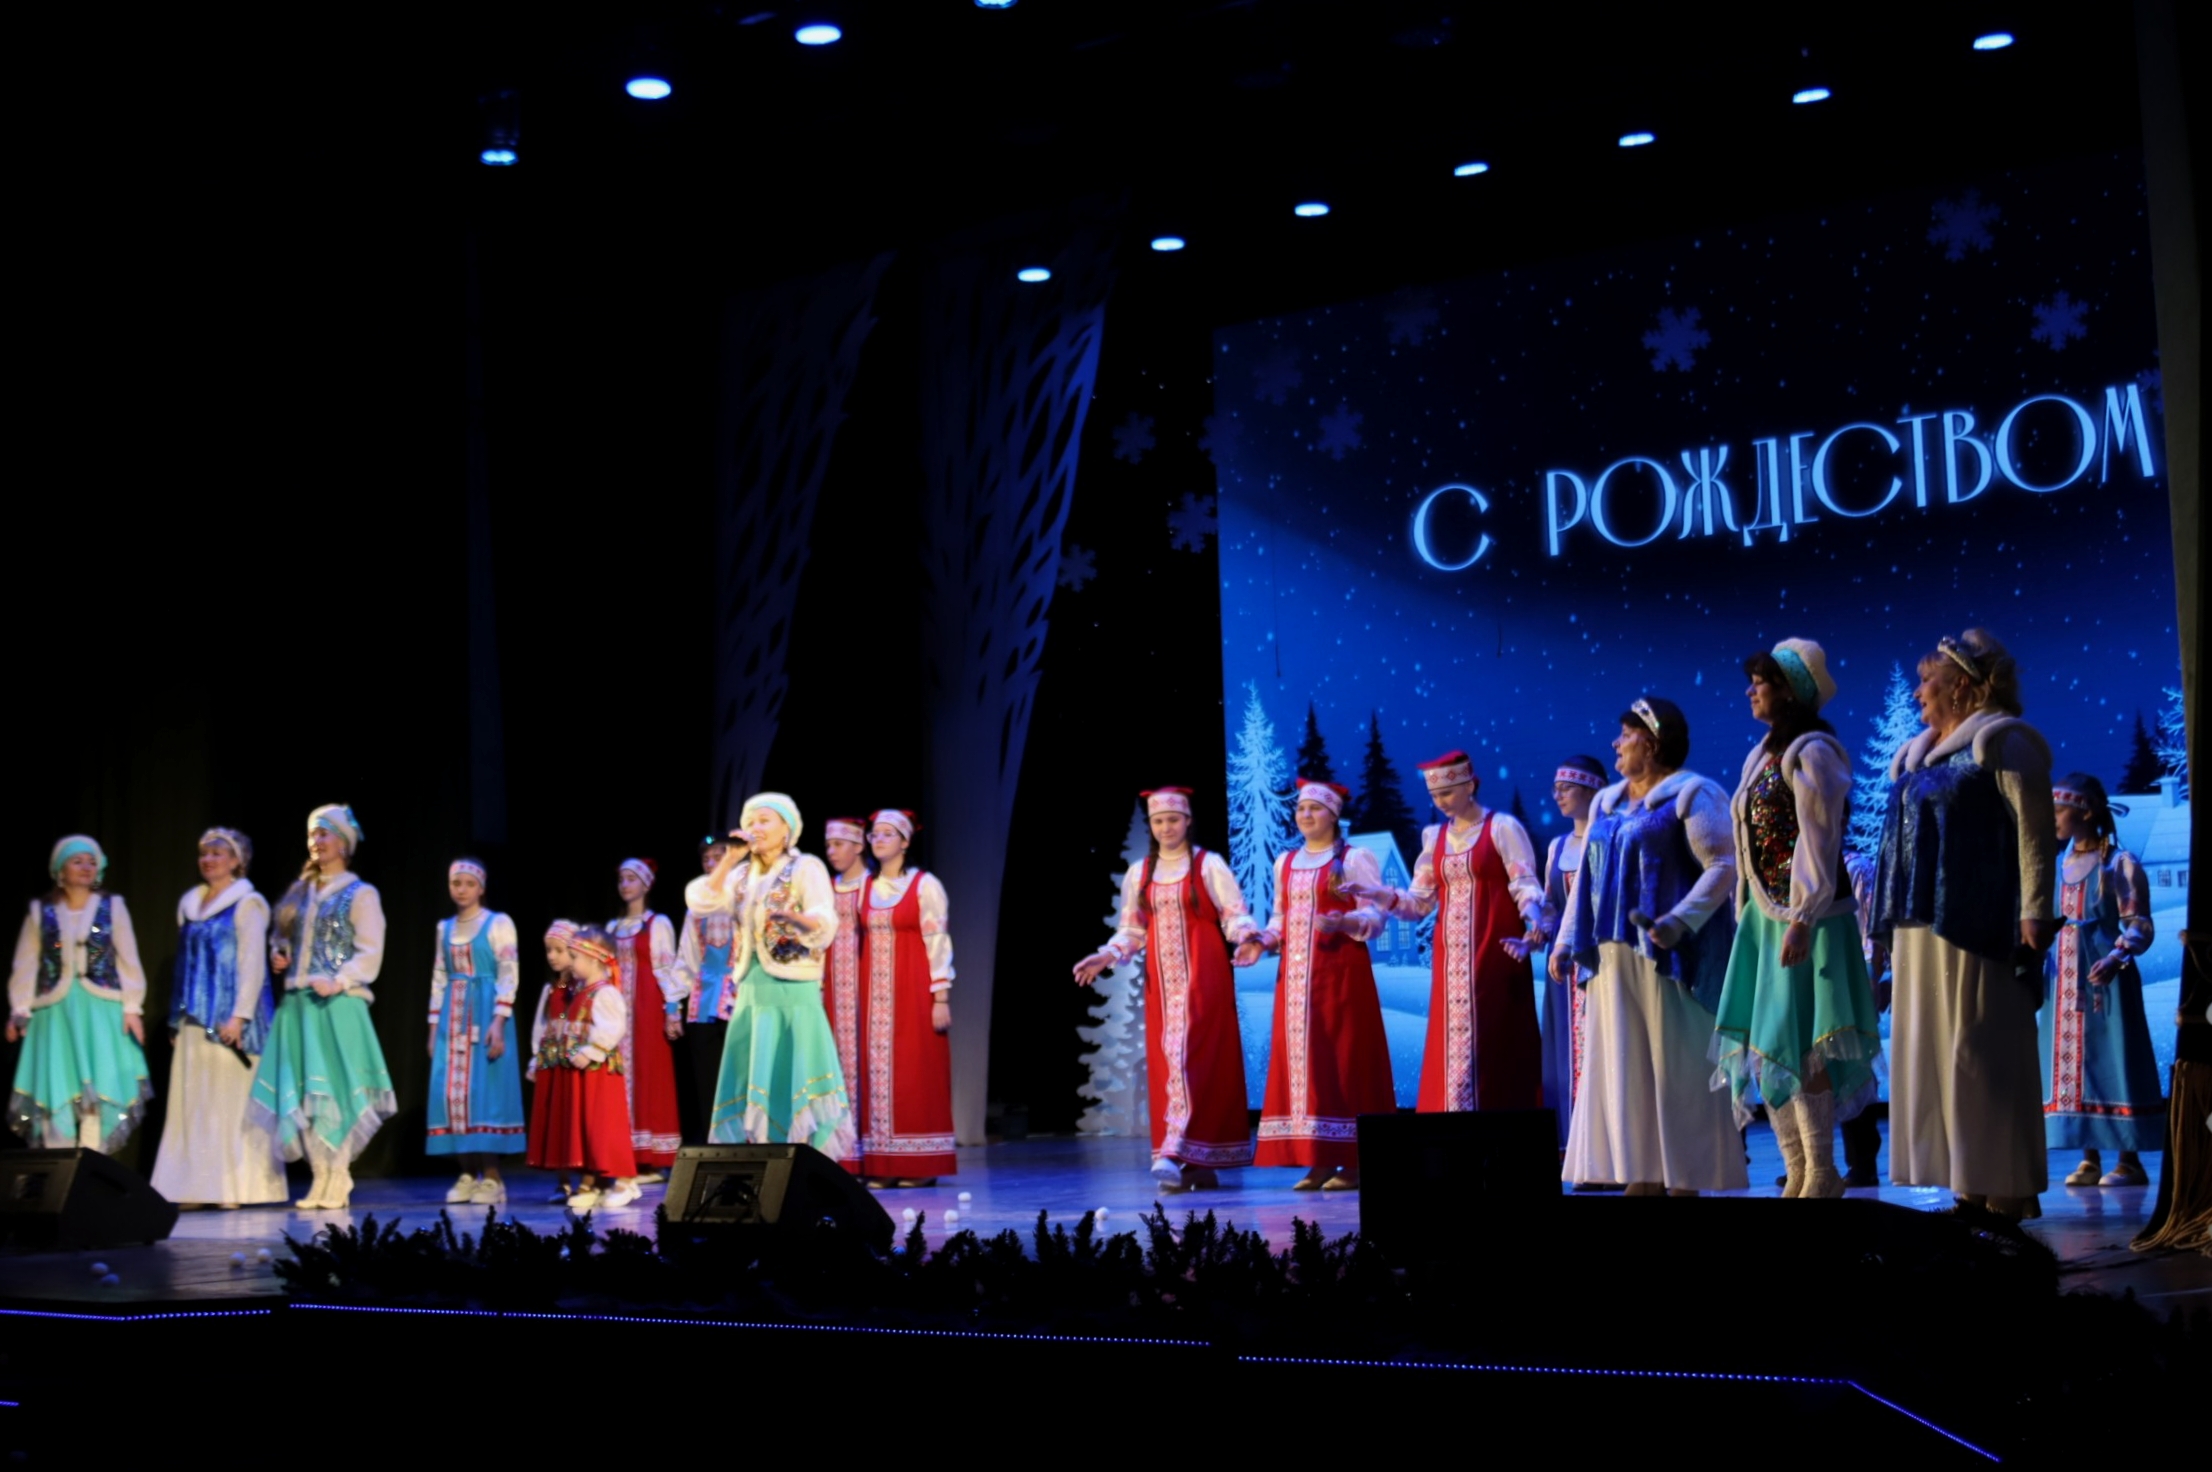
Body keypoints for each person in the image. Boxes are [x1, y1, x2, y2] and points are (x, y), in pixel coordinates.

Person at [1873, 630, 2057, 1219]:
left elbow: (2034, 831)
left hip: (1978, 920)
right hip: (1920, 926)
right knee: (1936, 1050)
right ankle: (1964, 1185)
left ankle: (2002, 1187)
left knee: (1979, 1049)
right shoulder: (1917, 756)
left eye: (1927, 680)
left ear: (1960, 687)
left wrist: (2034, 910)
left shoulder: (2003, 741)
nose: (1918, 692)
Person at [1710, 641, 1883, 1198]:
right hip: (1765, 918)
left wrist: (1804, 915)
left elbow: (1818, 836)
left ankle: (1823, 1170)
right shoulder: (1762, 754)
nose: (1750, 690)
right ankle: (1800, 1168)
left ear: (1788, 690)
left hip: (1807, 919)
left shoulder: (1814, 750)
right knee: (1768, 1046)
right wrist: (1752, 912)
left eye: (1760, 681)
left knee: (1805, 1043)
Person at [1554, 699, 1744, 1196]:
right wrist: (1566, 941)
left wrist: (1680, 919)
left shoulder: (1692, 794)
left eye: (1626, 735)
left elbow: (1722, 866)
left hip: (1669, 956)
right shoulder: (1606, 803)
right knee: (1625, 1064)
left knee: (1674, 1061)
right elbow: (1588, 879)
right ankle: (1641, 1169)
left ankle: (1685, 1174)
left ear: (1653, 743)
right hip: (1612, 955)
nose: (1616, 743)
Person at [1074, 787, 1255, 1189]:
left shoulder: (1208, 865)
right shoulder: (1140, 873)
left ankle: (1174, 1152)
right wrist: (1106, 955)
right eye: (1158, 821)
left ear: (1187, 821)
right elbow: (1132, 928)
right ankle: (1194, 1162)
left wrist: (1246, 938)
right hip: (1162, 985)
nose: (1166, 827)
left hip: (1204, 978)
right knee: (1171, 1061)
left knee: (1195, 1059)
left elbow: (1234, 914)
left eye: (1173, 819)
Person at [1353, 752, 1544, 1113]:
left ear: (1470, 786)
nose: (1441, 803)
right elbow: (1418, 904)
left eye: (1448, 793)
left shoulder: (1501, 828)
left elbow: (1524, 883)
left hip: (1494, 952)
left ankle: (1500, 1133)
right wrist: (1377, 893)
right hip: (1450, 964)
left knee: (1495, 1044)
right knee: (1452, 1043)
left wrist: (1534, 920)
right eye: (1435, 796)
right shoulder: (1435, 838)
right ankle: (1454, 1130)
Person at [1241, 779, 1396, 1191]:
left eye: (1315, 808)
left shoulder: (1354, 858)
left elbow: (1376, 914)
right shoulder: (1287, 862)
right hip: (1295, 983)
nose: (1306, 815)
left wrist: (1345, 921)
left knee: (1344, 1060)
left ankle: (1357, 1160)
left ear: (1334, 815)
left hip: (1341, 974)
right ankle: (1320, 1157)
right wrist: (1261, 941)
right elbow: (1281, 917)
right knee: (1308, 1064)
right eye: (1301, 809)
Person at [690, 793, 852, 1159]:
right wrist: (728, 860)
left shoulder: (805, 867)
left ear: (786, 829)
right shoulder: (741, 875)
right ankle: (763, 1154)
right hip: (752, 988)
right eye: (750, 821)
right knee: (754, 1073)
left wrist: (798, 920)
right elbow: (701, 901)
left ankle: (808, 1157)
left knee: (794, 1071)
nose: (755, 827)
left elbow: (825, 918)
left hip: (794, 988)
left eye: (764, 820)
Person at [250, 804, 395, 1212]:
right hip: (298, 1006)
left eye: (325, 833)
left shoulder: (360, 893)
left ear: (344, 843)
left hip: (337, 1005)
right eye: (313, 834)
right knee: (305, 1095)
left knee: (334, 1092)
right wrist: (280, 954)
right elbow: (284, 939)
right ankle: (320, 1175)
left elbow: (370, 951)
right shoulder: (301, 892)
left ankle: (339, 1174)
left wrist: (340, 980)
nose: (317, 841)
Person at [149, 828, 285, 1208]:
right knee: (194, 1103)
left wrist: (239, 1016)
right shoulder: (190, 904)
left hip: (231, 1020)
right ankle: (192, 1187)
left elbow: (252, 964)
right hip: (194, 1017)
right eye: (204, 854)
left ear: (237, 861)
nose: (208, 860)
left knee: (229, 1102)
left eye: (217, 853)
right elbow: (185, 966)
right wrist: (175, 1018)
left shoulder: (248, 903)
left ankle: (233, 1189)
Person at [2041, 773, 2165, 1187]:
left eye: (2059, 810)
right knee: (2073, 1061)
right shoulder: (2059, 865)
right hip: (2065, 977)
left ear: (2085, 812)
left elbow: (2139, 922)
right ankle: (2089, 1156)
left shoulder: (2118, 863)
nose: (2052, 817)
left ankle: (2128, 1159)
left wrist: (2117, 956)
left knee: (2113, 1056)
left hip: (2105, 976)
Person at [6, 836, 152, 1153]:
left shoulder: (113, 906)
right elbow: (26, 964)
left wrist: (132, 1007)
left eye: (91, 862)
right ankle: (58, 1160)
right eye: (77, 861)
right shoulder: (41, 911)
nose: (86, 867)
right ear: (61, 870)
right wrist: (20, 1008)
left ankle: (90, 1162)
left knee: (98, 1089)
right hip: (54, 1013)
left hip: (100, 1011)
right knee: (55, 1086)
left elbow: (128, 959)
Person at [853, 810, 958, 1185]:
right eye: (874, 835)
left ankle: (920, 1164)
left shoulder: (924, 885)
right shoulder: (865, 886)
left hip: (913, 989)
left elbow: (937, 941)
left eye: (887, 834)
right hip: (874, 996)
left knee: (915, 1071)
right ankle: (883, 1163)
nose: (878, 840)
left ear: (905, 841)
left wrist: (940, 996)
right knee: (877, 1076)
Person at [426, 858, 526, 1206]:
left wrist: (499, 1020)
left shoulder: (498, 923)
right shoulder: (444, 928)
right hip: (452, 1015)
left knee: (485, 1094)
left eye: (469, 884)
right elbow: (439, 977)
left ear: (480, 888)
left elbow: (508, 971)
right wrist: (433, 1027)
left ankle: (493, 1177)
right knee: (453, 1095)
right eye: (456, 883)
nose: (462, 890)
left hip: (485, 1012)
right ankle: (467, 1173)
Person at [527, 922, 637, 1212]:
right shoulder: (579, 992)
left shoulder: (604, 992)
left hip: (600, 1072)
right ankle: (592, 1183)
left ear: (594, 959)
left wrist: (592, 1050)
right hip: (585, 1072)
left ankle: (620, 1181)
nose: (570, 962)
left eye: (574, 957)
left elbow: (614, 1027)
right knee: (587, 1127)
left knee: (601, 1126)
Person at [1538, 756, 1608, 1162]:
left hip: (1599, 956)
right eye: (1556, 789)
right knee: (1566, 1052)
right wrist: (1536, 928)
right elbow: (1552, 905)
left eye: (1566, 788)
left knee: (1600, 1047)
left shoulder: (1610, 836)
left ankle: (1604, 1147)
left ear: (1590, 789)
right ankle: (1574, 1146)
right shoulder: (1557, 846)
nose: (1558, 795)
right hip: (1562, 966)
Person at [608, 857, 683, 1179]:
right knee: (618, 1077)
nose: (625, 885)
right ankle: (623, 1154)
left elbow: (667, 967)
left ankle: (652, 1158)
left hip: (647, 1008)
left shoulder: (657, 923)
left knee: (649, 1076)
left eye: (631, 879)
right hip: (617, 1010)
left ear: (646, 884)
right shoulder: (612, 928)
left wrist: (672, 1009)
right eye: (622, 879)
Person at [671, 837, 740, 1144]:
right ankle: (716, 1144)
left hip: (740, 999)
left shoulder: (743, 897)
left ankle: (747, 1142)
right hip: (704, 1003)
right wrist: (673, 1005)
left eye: (718, 857)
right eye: (706, 859)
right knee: (707, 1076)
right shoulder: (697, 908)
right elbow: (686, 959)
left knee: (740, 1074)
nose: (712, 864)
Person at [820, 818, 871, 1174]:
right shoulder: (825, 889)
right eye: (828, 845)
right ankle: (844, 1153)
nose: (831, 851)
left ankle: (877, 1152)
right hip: (831, 990)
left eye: (838, 844)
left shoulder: (875, 886)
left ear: (858, 845)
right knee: (836, 1067)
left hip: (867, 987)